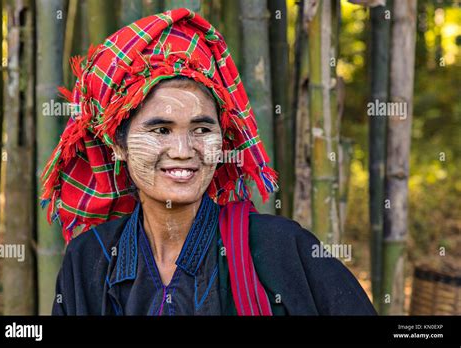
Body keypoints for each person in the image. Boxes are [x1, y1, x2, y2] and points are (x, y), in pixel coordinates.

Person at [41, 8, 376, 316]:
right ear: (119, 145)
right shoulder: (88, 261)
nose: (184, 150)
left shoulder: (279, 248)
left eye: (202, 128)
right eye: (161, 129)